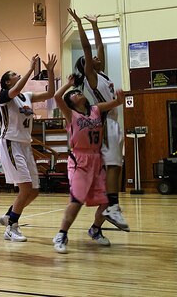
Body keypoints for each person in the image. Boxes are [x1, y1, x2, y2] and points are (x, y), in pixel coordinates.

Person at [69, 8, 129, 232]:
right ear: (87, 66)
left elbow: (100, 47)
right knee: (113, 167)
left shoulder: (102, 73)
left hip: (114, 122)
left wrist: (95, 24)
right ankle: (113, 206)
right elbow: (88, 47)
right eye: (92, 59)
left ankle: (97, 226)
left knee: (116, 168)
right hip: (105, 124)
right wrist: (79, 24)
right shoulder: (91, 78)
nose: (96, 57)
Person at [52, 75, 125, 253]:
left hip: (96, 159)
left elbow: (115, 104)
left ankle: (95, 229)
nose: (77, 93)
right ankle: (61, 234)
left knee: (107, 201)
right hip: (80, 159)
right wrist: (68, 85)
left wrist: (120, 99)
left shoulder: (96, 109)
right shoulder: (71, 114)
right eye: (74, 94)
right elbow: (56, 97)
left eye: (78, 91)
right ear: (71, 102)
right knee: (77, 200)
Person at [0, 53, 57, 242]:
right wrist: (30, 69)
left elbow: (50, 94)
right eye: (13, 74)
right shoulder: (5, 97)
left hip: (25, 144)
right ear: (6, 82)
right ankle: (12, 228)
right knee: (26, 186)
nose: (17, 74)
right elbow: (15, 90)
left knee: (34, 190)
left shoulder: (27, 96)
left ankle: (9, 215)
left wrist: (51, 72)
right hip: (11, 143)